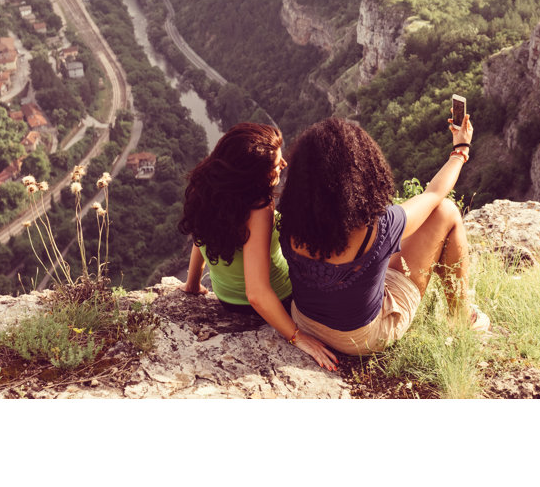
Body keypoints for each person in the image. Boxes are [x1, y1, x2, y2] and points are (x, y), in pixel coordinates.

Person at [276, 113, 489, 356]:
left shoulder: (289, 221)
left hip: (304, 322)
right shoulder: (379, 226)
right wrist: (460, 151)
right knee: (447, 211)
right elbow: (433, 195)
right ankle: (461, 317)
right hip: (363, 339)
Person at [179, 122, 338, 371]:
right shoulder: (259, 209)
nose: (284, 164)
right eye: (276, 164)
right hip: (280, 300)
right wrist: (297, 336)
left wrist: (192, 284)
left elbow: (201, 238)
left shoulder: (207, 190)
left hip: (226, 299)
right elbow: (256, 294)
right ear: (255, 175)